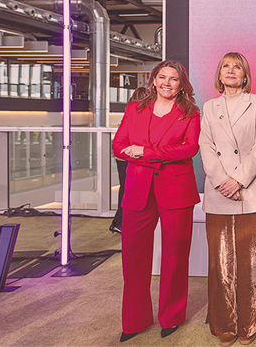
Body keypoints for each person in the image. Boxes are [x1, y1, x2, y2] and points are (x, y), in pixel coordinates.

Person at [112, 60, 201, 342]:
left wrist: (144, 152)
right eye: (162, 77)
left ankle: (171, 317)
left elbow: (189, 148)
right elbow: (118, 146)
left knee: (175, 256)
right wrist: (151, 153)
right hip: (138, 189)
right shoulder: (134, 109)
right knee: (133, 257)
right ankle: (134, 320)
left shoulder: (190, 112)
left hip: (175, 189)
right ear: (153, 80)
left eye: (173, 79)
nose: (166, 83)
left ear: (181, 84)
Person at [200, 52, 256, 346]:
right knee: (220, 264)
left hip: (252, 193)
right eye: (225, 66)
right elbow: (206, 146)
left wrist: (238, 180)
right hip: (219, 193)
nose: (231, 70)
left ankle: (250, 322)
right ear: (219, 74)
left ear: (245, 75)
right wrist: (222, 182)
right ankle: (225, 323)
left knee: (251, 264)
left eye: (237, 67)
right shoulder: (210, 106)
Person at [110, 86, 150, 234]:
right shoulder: (140, 114)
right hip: (130, 155)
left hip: (123, 155)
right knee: (129, 190)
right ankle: (121, 222)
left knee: (125, 188)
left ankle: (118, 222)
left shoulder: (130, 111)